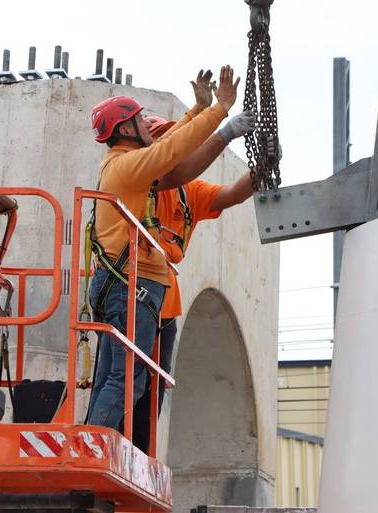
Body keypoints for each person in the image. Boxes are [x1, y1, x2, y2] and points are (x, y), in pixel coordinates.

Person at [85, 66, 242, 431]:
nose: (146, 124)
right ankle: (93, 446)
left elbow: (169, 150)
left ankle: (94, 445)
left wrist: (198, 110)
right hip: (130, 287)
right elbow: (171, 150)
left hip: (126, 287)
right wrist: (220, 112)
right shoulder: (129, 167)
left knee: (116, 378)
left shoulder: (128, 166)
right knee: (126, 381)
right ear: (125, 129)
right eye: (140, 120)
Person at [124, 107, 263, 452]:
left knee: (153, 386)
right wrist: (225, 129)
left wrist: (261, 171)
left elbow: (230, 194)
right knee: (127, 379)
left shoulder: (188, 193)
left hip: (165, 304)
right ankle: (119, 443)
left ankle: (139, 453)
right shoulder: (140, 182)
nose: (176, 149)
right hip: (131, 295)